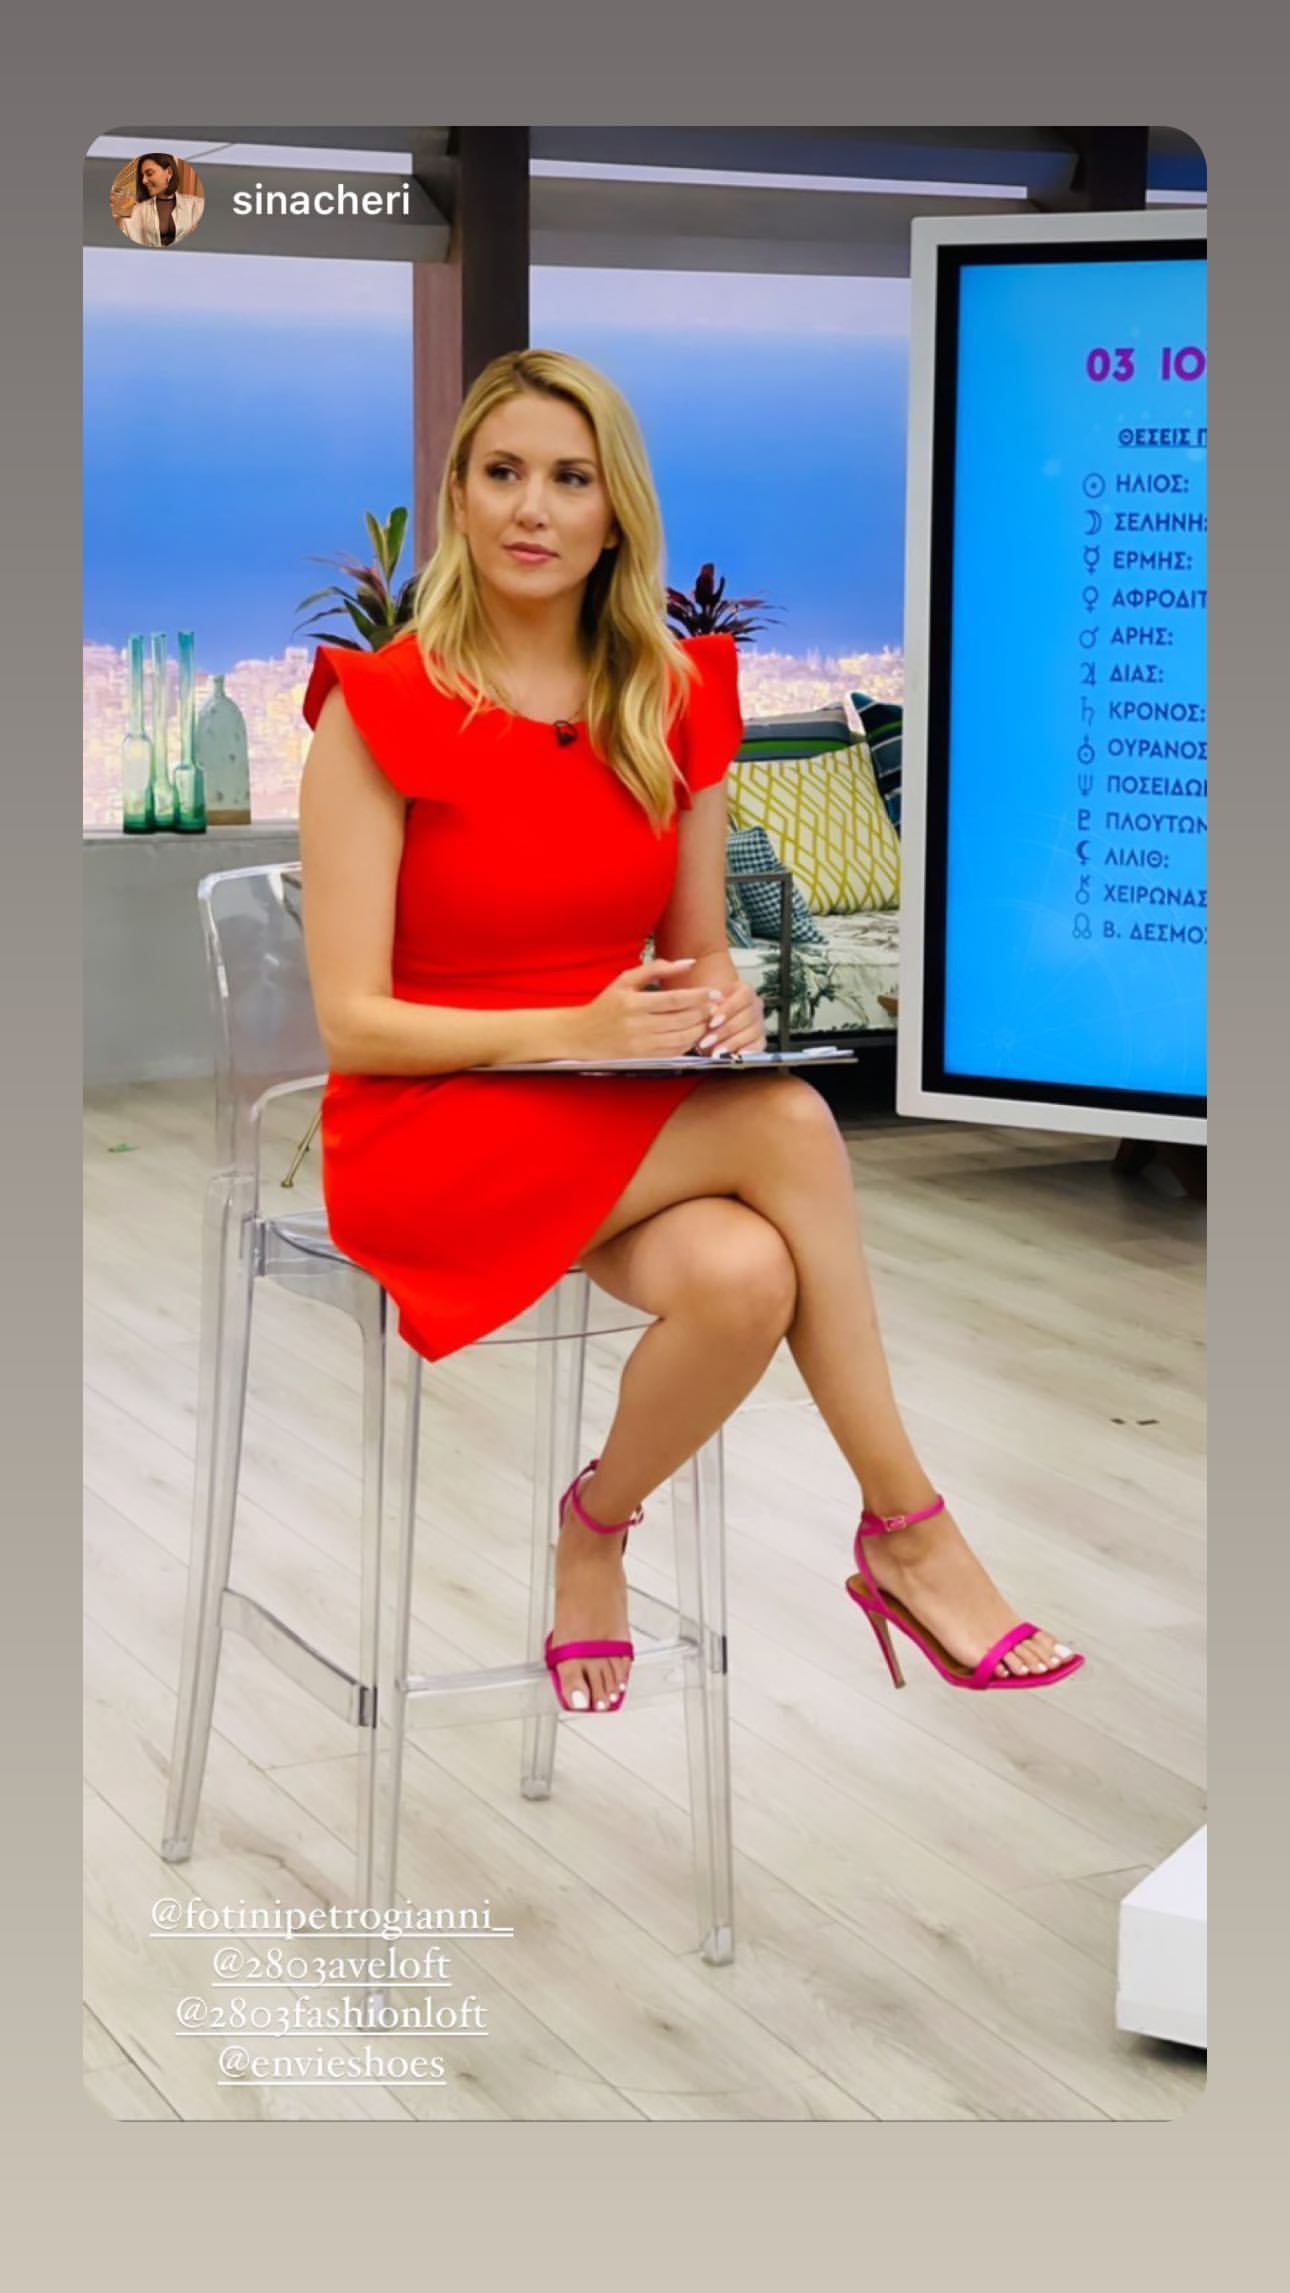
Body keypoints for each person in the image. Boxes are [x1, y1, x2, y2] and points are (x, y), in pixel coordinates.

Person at [298, 347, 1083, 1720]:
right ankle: (907, 1529)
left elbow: (699, 950)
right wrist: (570, 1027)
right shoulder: (378, 709)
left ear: (615, 513)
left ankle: (595, 1525)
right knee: (786, 1123)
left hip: (602, 1104)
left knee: (742, 1276)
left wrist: (719, 1001)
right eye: (502, 474)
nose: (531, 509)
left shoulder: (672, 696)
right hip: (432, 1123)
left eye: (569, 478)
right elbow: (350, 1021)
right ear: (459, 495)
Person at [119, 152, 204, 248]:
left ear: (169, 172)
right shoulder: (136, 212)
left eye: (149, 173)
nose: (144, 181)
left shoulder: (197, 206)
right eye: (142, 176)